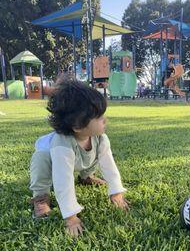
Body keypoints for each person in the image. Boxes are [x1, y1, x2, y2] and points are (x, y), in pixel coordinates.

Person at [29, 78, 129, 238]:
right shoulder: (62, 144)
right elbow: (63, 181)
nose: (105, 120)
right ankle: (40, 197)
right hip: (51, 160)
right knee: (41, 159)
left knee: (95, 153)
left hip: (79, 159)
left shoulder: (100, 138)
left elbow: (109, 166)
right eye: (99, 117)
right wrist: (71, 217)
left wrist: (116, 192)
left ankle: (86, 176)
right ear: (77, 126)